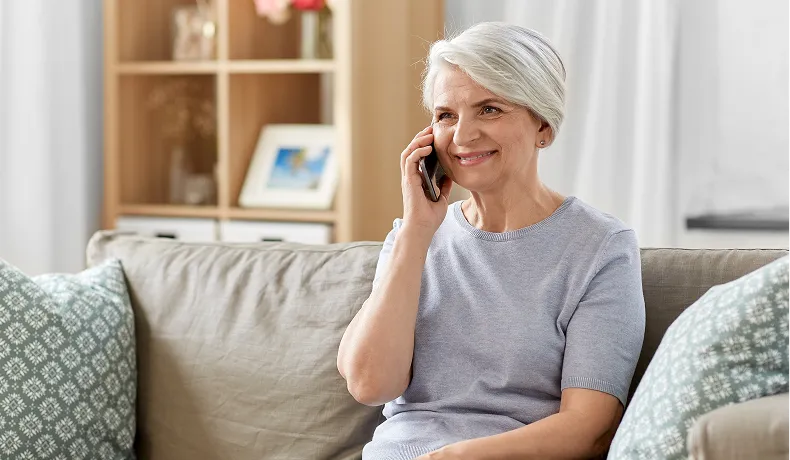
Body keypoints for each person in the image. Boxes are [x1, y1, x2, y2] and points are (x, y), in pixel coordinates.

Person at [337, 22, 645, 460]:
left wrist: (452, 457)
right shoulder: (412, 239)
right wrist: (415, 232)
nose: (462, 136)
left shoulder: (600, 247)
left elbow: (589, 429)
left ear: (543, 124)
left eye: (489, 110)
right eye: (446, 115)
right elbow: (369, 385)